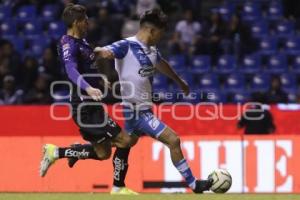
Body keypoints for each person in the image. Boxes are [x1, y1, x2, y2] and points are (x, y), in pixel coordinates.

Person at [91, 8, 212, 193]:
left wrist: (179, 82)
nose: (161, 38)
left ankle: (67, 153)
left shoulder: (152, 50)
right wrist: (103, 74)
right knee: (173, 140)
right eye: (161, 33)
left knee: (122, 144)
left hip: (143, 109)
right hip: (136, 111)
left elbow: (162, 64)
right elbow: (101, 53)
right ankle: (194, 184)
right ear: (152, 31)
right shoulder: (126, 46)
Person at [39, 5, 135, 194]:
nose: (88, 22)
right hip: (84, 106)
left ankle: (56, 152)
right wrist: (88, 88)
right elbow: (71, 70)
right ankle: (118, 188)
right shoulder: (68, 43)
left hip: (92, 105)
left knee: (103, 153)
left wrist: (100, 78)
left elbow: (87, 68)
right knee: (125, 140)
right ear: (76, 22)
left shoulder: (82, 42)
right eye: (85, 19)